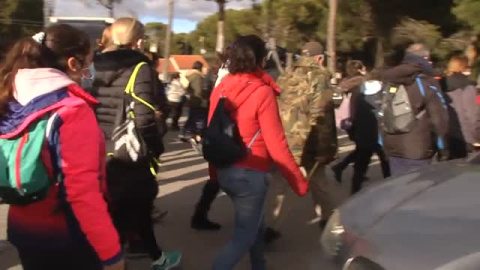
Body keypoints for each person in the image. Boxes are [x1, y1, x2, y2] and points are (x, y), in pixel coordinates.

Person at [0, 25, 123, 270]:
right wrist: (111, 254)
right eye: (89, 61)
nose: (91, 68)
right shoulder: (72, 110)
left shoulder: (8, 96)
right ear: (73, 64)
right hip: (68, 237)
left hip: (23, 229)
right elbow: (81, 193)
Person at [209, 35, 309, 270]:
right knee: (242, 238)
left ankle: (259, 266)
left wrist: (214, 173)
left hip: (226, 171)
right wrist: (298, 181)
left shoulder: (220, 87)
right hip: (250, 175)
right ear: (261, 60)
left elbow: (212, 137)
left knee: (256, 224)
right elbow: (277, 146)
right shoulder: (262, 92)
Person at [91, 18, 181, 270]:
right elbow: (143, 118)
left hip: (102, 147)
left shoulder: (94, 64)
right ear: (138, 39)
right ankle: (121, 261)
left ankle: (153, 256)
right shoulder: (140, 66)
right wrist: (156, 142)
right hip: (131, 152)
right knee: (130, 210)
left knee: (124, 208)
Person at [265, 42, 338, 243]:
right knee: (320, 183)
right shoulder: (320, 76)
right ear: (320, 58)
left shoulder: (286, 76)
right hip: (309, 143)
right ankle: (330, 220)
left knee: (281, 185)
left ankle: (269, 225)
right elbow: (321, 117)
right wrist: (325, 149)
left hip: (285, 141)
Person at [382, 43, 449, 176]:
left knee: (399, 191)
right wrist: (444, 149)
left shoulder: (388, 81)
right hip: (418, 149)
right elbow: (439, 120)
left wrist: (383, 144)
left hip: (392, 147)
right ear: (425, 59)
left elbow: (381, 114)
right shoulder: (427, 83)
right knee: (418, 192)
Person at [331, 61, 391, 194]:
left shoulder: (358, 90)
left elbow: (353, 112)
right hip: (379, 132)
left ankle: (354, 191)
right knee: (385, 161)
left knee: (361, 163)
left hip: (362, 131)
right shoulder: (384, 90)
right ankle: (389, 187)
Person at [441, 56, 478, 159]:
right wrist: (476, 137)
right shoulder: (468, 87)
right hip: (466, 139)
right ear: (464, 67)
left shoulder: (441, 84)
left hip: (448, 137)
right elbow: (472, 116)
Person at [182, 61, 209, 154]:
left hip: (192, 101)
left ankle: (187, 133)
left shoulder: (189, 75)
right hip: (200, 102)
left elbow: (188, 89)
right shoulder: (198, 76)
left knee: (192, 118)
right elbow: (199, 90)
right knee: (201, 121)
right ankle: (197, 138)